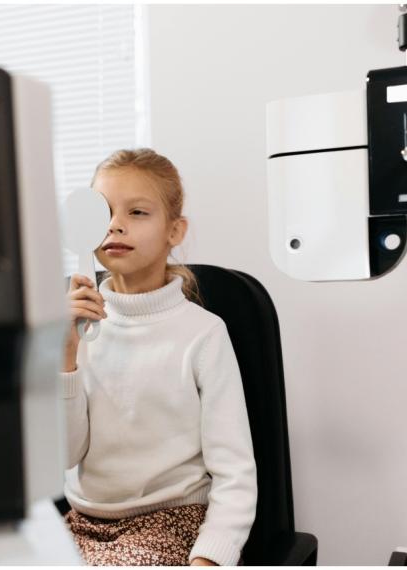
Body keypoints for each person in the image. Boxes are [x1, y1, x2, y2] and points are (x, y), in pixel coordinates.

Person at [61, 148, 257, 566]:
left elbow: (235, 473)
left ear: (175, 230)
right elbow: (64, 455)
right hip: (82, 522)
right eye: (106, 212)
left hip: (171, 521)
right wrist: (66, 358)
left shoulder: (203, 335)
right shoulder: (74, 328)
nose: (115, 224)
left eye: (137, 212)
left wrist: (210, 558)